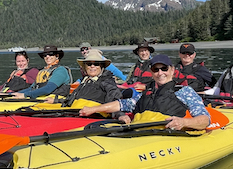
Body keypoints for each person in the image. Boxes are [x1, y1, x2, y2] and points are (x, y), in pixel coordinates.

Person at [79, 54, 210, 131]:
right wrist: (94, 109)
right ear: (151, 72)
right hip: (139, 132)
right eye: (155, 69)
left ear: (172, 70)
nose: (160, 73)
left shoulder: (184, 91)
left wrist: (184, 122)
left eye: (164, 68)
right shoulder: (147, 93)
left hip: (165, 136)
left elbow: (205, 120)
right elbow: (122, 104)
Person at [51, 48, 122, 107]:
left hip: (93, 116)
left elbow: (116, 100)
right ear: (85, 67)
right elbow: (72, 98)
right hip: (76, 112)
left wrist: (119, 115)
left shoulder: (106, 81)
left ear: (102, 66)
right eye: (89, 64)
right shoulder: (85, 81)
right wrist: (56, 101)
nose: (92, 66)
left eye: (96, 64)